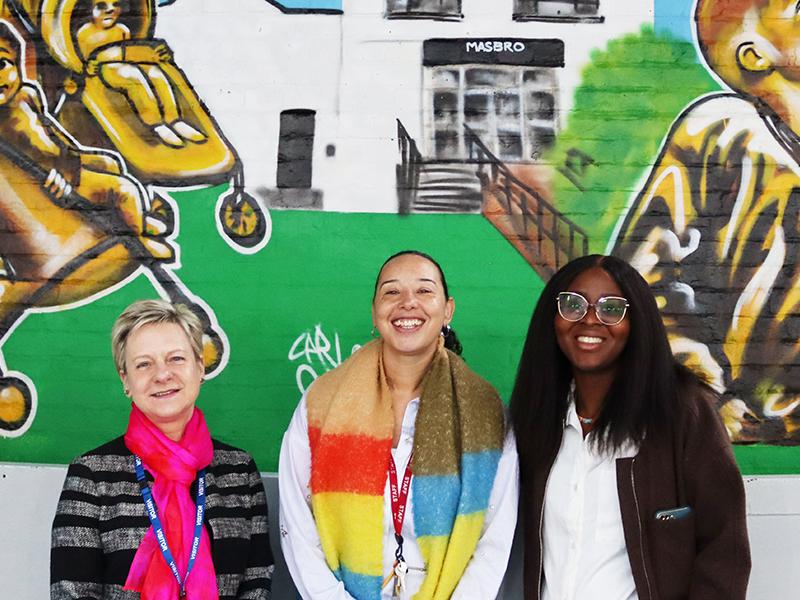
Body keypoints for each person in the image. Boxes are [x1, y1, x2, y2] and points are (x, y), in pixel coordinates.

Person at [279, 250, 519, 599]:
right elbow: (298, 525)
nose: (408, 303)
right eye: (392, 292)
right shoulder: (322, 401)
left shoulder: (484, 410)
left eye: (424, 291)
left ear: (448, 309)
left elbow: (494, 537)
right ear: (374, 312)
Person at [611, 0, 800, 441]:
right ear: (754, 54)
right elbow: (644, 280)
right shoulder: (724, 132)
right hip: (750, 411)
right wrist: (703, 391)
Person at [510, 254, 750, 600]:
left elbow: (724, 544)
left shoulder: (681, 411)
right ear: (553, 318)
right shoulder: (537, 419)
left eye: (611, 309)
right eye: (572, 305)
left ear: (636, 322)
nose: (590, 320)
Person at [51, 299, 273, 599]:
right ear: (125, 379)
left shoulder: (239, 471)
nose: (162, 374)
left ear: (199, 366)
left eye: (176, 359)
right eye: (144, 364)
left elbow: (257, 582)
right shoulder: (91, 476)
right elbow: (71, 593)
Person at [0, 19, 171, 262]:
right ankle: (141, 241)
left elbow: (50, 131)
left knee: (111, 163)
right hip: (54, 178)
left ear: (16, 63)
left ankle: (135, 219)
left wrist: (77, 153)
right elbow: (18, 170)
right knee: (124, 191)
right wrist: (51, 179)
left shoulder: (28, 94)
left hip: (66, 158)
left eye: (1, 63)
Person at [76, 0, 206, 148]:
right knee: (132, 74)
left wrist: (152, 53)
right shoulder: (85, 34)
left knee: (155, 73)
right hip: (107, 71)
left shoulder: (121, 30)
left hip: (123, 63)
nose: (111, 10)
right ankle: (156, 123)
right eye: (101, 6)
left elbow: (127, 51)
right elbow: (87, 64)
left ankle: (174, 119)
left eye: (116, 4)